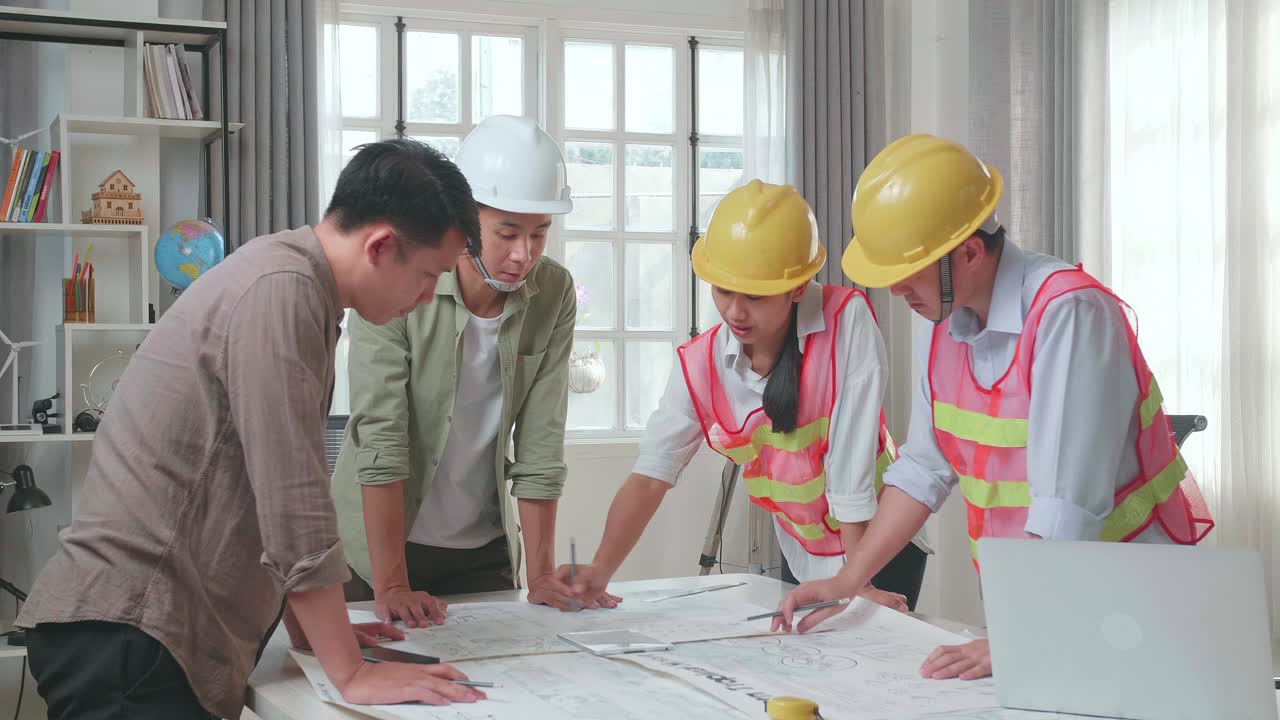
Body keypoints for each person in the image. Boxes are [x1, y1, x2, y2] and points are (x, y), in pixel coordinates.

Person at [16, 139, 491, 719]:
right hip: (131, 632)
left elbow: (265, 499)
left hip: (134, 633)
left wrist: (323, 635)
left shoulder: (295, 283)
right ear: (381, 245)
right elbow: (294, 501)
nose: (425, 298)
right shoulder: (282, 291)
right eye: (427, 276)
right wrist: (350, 671)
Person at [772, 134, 1215, 680]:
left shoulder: (1068, 315)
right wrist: (849, 579)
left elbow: (1066, 509)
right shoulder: (942, 326)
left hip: (1130, 607)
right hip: (1043, 602)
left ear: (971, 252)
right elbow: (921, 470)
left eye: (906, 272)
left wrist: (1020, 632)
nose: (894, 291)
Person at [559, 180, 931, 609]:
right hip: (803, 553)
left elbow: (850, 468)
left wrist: (858, 582)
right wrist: (601, 571)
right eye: (723, 290)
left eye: (755, 296)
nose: (735, 311)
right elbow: (650, 476)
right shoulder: (703, 363)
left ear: (797, 286)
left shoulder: (847, 323)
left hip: (878, 547)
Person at [333, 115, 615, 628]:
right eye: (507, 233)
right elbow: (381, 438)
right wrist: (392, 583)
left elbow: (541, 443)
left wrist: (544, 574)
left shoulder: (552, 293)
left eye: (539, 234)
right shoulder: (398, 284)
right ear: (463, 222)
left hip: (481, 552)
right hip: (371, 556)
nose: (523, 255)